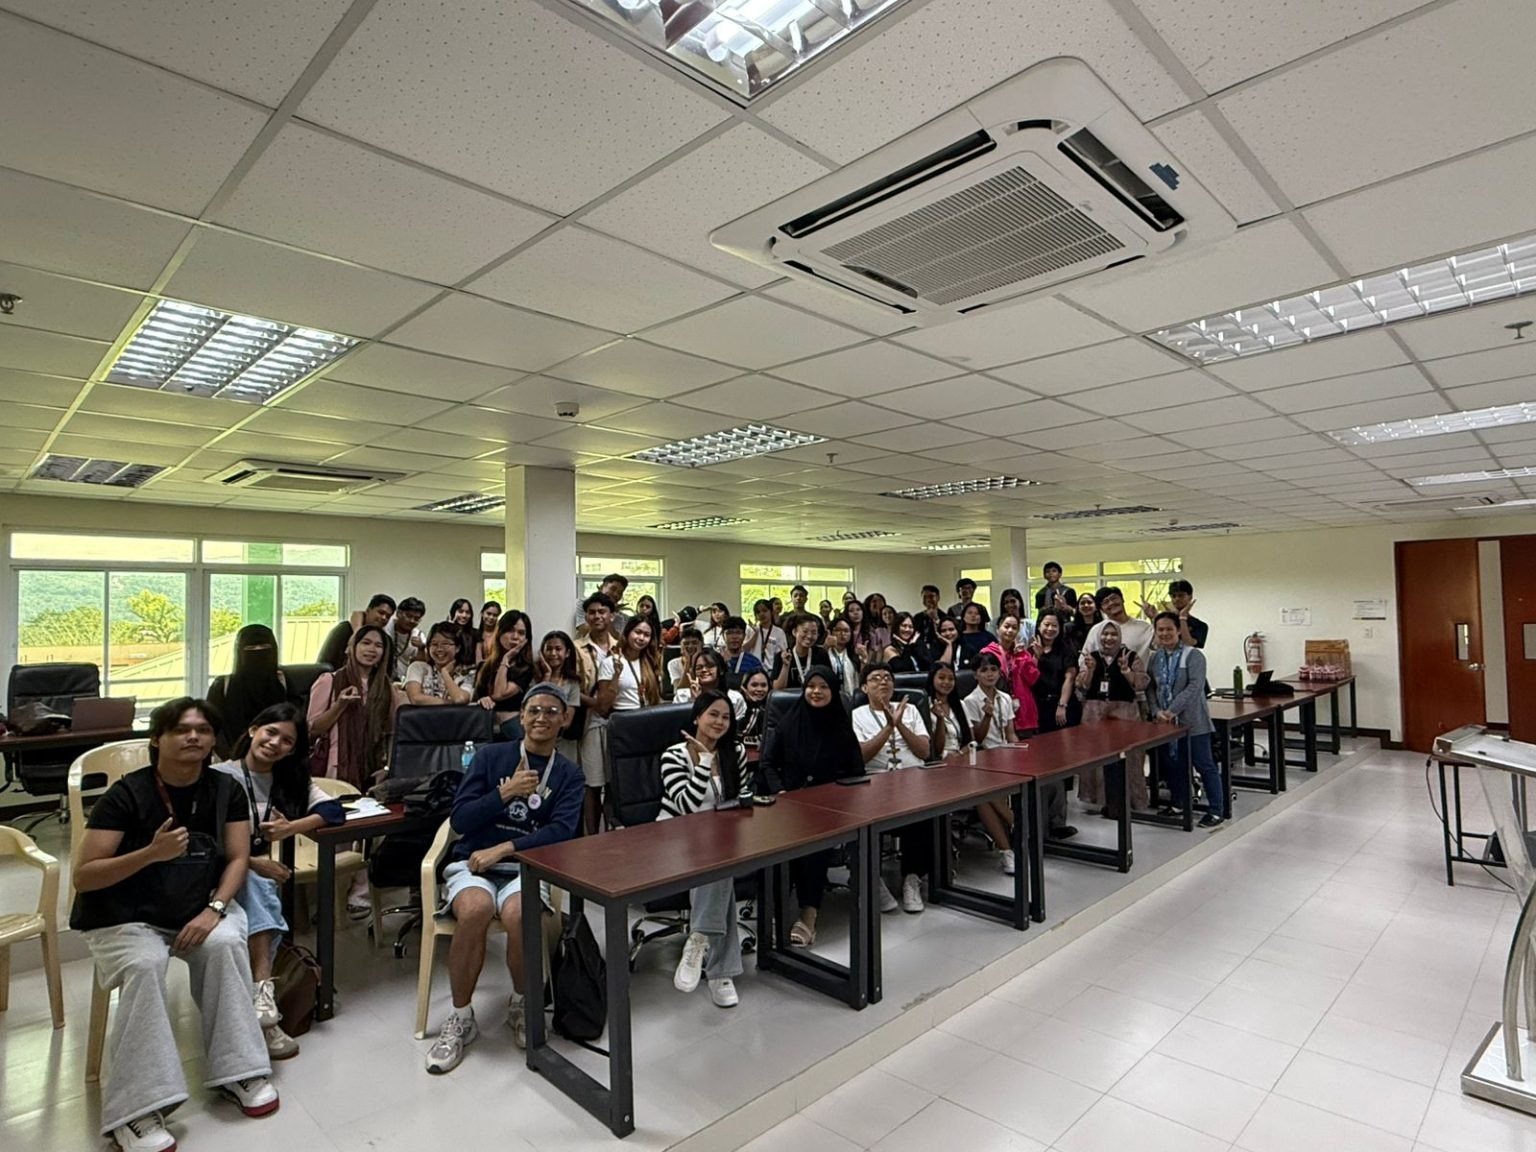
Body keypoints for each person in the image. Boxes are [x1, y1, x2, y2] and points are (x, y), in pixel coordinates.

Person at [71, 698, 276, 1152]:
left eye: (203, 730)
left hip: (196, 906)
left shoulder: (225, 789)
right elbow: (84, 876)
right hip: (125, 916)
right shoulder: (126, 795)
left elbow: (238, 858)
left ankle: (239, 1070)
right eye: (181, 729)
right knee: (145, 965)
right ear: (156, 739)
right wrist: (150, 854)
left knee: (226, 943)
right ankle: (136, 1110)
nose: (193, 737)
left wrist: (216, 909)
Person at [425, 685, 584, 1073]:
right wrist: (506, 793)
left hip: (523, 867)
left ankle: (522, 1003)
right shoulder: (490, 756)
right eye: (534, 710)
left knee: (519, 914)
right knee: (475, 909)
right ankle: (461, 1017)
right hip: (473, 864)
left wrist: (505, 848)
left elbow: (561, 832)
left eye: (551, 711)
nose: (541, 718)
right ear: (522, 716)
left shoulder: (569, 774)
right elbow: (461, 819)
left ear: (564, 720)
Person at [213, 703, 344, 1061]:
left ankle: (261, 1004)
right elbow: (203, 841)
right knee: (257, 882)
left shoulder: (289, 780)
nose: (275, 743)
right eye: (270, 732)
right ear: (253, 730)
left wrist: (291, 828)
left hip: (250, 877)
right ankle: (264, 1006)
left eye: (287, 741)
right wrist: (253, 863)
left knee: (257, 886)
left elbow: (333, 811)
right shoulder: (220, 776)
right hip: (215, 872)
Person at [754, 669, 863, 946]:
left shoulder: (842, 729)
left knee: (814, 848)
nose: (816, 691)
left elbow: (856, 773)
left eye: (823, 686)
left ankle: (809, 914)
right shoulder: (789, 723)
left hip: (829, 810)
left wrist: (837, 799)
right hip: (788, 804)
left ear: (833, 691)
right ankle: (774, 913)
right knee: (777, 847)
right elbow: (767, 764)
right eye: (811, 686)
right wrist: (781, 791)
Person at [661, 692, 751, 1008]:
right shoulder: (673, 756)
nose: (719, 722)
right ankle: (720, 973)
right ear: (697, 717)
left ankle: (698, 938)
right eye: (713, 714)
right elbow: (686, 806)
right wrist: (703, 762)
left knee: (719, 861)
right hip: (674, 840)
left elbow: (739, 797)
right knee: (719, 866)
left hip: (720, 840)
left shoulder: (735, 752)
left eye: (726, 717)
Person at [851, 663, 931, 914]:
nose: (883, 682)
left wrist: (899, 724)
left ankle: (912, 879)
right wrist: (888, 727)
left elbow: (924, 751)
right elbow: (861, 756)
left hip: (913, 777)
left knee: (922, 814)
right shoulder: (857, 715)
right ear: (864, 688)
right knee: (867, 820)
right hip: (875, 781)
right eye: (875, 678)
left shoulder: (911, 710)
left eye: (887, 677)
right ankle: (873, 880)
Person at [1147, 612, 1224, 829]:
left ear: (1179, 631)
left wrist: (1172, 710)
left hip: (1193, 721)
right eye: (1160, 629)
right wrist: (1156, 711)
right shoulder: (1156, 657)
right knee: (1175, 765)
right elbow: (1151, 687)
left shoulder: (1193, 655)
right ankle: (1179, 802)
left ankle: (1216, 809)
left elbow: (1195, 687)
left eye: (1169, 629)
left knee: (1204, 764)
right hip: (1165, 723)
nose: (1164, 633)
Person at [308, 624, 395, 792]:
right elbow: (313, 730)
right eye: (366, 643)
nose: (371, 649)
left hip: (372, 770)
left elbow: (390, 732)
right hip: (335, 769)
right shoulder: (329, 680)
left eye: (378, 645)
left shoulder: (385, 687)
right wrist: (340, 705)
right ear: (352, 647)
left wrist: (387, 768)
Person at [1076, 620, 1151, 812]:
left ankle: (1131, 800)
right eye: (1105, 634)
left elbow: (1141, 683)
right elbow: (1082, 686)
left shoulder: (1130, 656)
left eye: (1113, 634)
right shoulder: (1091, 657)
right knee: (1096, 758)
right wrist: (1090, 670)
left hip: (1125, 713)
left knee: (1131, 758)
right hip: (1095, 713)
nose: (1108, 638)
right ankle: (1100, 801)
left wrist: (1126, 671)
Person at [962, 653, 1021, 873]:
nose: (990, 674)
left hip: (1006, 755)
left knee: (987, 798)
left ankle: (1010, 844)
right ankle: (1018, 828)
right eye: (984, 670)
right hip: (984, 757)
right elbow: (975, 739)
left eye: (994, 670)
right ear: (975, 674)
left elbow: (1010, 733)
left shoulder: (1004, 698)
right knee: (985, 794)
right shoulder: (970, 701)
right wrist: (986, 716)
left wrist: (1020, 753)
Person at [575, 593, 621, 836]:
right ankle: (592, 836)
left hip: (619, 722)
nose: (597, 616)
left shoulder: (621, 647)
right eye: (592, 612)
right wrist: (598, 704)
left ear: (612, 616)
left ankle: (613, 833)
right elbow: (572, 688)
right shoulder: (576, 648)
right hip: (590, 723)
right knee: (592, 783)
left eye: (602, 612)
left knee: (615, 782)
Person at [208, 624, 287, 760]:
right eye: (250, 649)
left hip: (278, 760)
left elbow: (292, 722)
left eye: (264, 648)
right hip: (231, 761)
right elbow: (212, 726)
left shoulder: (283, 683)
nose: (258, 653)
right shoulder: (222, 686)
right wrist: (232, 760)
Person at [473, 610, 535, 738]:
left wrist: (505, 660)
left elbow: (499, 693)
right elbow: (475, 698)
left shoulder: (525, 668)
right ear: (500, 632)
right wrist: (482, 700)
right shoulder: (484, 666)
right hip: (485, 726)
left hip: (512, 726)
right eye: (510, 631)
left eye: (521, 633)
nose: (515, 637)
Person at [981, 615, 1040, 736]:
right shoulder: (987, 653)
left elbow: (1032, 679)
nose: (1010, 630)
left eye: (1014, 628)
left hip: (1023, 709)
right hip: (998, 707)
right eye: (1006, 626)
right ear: (998, 629)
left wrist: (1021, 657)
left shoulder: (1023, 653)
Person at [406, 621, 487, 708]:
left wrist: (445, 673)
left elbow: (460, 699)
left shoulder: (468, 673)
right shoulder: (417, 667)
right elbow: (415, 698)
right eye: (434, 644)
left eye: (445, 644)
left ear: (457, 648)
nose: (439, 649)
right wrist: (450, 703)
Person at [533, 630, 582, 762]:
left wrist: (545, 718)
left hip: (563, 743)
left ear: (567, 653)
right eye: (549, 649)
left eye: (558, 649)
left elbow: (566, 721)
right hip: (536, 741)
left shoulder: (573, 682)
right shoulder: (533, 678)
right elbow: (534, 709)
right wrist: (547, 675)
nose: (553, 653)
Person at [1029, 611, 1078, 733]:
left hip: (1062, 704)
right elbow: (1029, 678)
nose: (1050, 629)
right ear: (1039, 626)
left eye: (1054, 625)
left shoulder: (1067, 650)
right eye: (1046, 625)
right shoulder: (1030, 650)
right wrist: (1036, 656)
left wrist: (1062, 705)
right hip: (1039, 705)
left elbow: (1069, 679)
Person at [316, 593, 393, 669]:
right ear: (368, 610)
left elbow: (387, 669)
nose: (384, 618)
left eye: (388, 616)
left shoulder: (386, 640)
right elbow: (324, 663)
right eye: (381, 612)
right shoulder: (344, 630)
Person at [1085, 586, 1154, 666]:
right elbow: (1084, 659)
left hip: (1138, 673)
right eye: (1106, 602)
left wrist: (1154, 617)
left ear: (1122, 599)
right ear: (1102, 609)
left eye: (1114, 598)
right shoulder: (1096, 630)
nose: (1111, 603)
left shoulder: (1144, 627)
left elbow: (1160, 644)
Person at [674, 649, 747, 719]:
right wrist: (695, 701)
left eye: (710, 666)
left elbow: (736, 726)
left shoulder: (735, 699)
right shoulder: (682, 697)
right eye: (699, 668)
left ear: (721, 670)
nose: (704, 670)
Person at [925, 662, 972, 762]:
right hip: (939, 761)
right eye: (941, 678)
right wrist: (940, 719)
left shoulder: (960, 705)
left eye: (951, 679)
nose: (946, 682)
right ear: (932, 679)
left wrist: (959, 755)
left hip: (961, 758)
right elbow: (937, 749)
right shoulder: (925, 706)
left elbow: (970, 740)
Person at [772, 615, 829, 689]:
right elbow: (777, 689)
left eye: (814, 632)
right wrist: (786, 666)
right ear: (794, 632)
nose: (809, 636)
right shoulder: (783, 656)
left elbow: (829, 683)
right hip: (790, 696)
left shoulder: (821, 654)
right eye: (805, 631)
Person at [383, 597, 428, 681]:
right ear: (398, 613)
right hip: (381, 676)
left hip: (403, 680)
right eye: (409, 616)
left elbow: (421, 666)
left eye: (416, 619)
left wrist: (421, 648)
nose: (412, 621)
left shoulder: (418, 635)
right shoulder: (385, 625)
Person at [825, 616, 860, 702]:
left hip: (850, 698)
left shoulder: (854, 654)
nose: (842, 634)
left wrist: (864, 662)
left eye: (846, 631)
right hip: (827, 697)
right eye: (838, 630)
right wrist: (825, 647)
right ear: (831, 632)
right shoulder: (824, 652)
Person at [1167, 579, 1208, 650]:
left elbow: (1188, 644)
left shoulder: (1200, 625)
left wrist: (1183, 618)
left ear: (1190, 597)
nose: (1177, 599)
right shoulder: (1165, 621)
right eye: (1173, 596)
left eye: (1181, 595)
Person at [745, 599, 786, 667]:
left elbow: (783, 653)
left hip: (772, 669)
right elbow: (744, 650)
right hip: (753, 669)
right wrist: (755, 634)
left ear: (771, 612)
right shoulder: (750, 630)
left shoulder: (779, 632)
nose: (761, 614)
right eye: (758, 612)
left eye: (764, 610)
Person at [720, 615, 764, 679]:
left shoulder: (754, 662)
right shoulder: (717, 661)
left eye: (738, 633)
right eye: (729, 633)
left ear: (744, 636)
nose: (734, 637)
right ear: (723, 636)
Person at [737, 669, 771, 745]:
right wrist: (753, 706)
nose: (759, 689)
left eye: (763, 685)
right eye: (754, 685)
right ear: (745, 687)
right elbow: (741, 734)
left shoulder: (772, 708)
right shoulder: (738, 706)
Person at [667, 627, 705, 692]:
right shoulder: (673, 664)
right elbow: (680, 690)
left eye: (694, 643)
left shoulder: (708, 661)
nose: (690, 646)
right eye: (686, 643)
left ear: (701, 644)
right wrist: (687, 662)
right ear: (680, 645)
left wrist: (694, 661)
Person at [957, 603, 992, 669]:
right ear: (963, 616)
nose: (973, 616)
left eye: (977, 613)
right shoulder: (957, 637)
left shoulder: (989, 637)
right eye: (970, 613)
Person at [448, 598, 478, 667]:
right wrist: (450, 627)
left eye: (467, 612)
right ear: (453, 613)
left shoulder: (475, 633)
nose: (464, 615)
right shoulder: (445, 632)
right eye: (460, 611)